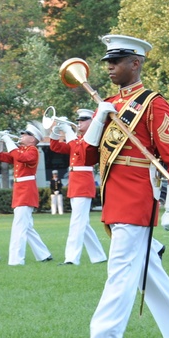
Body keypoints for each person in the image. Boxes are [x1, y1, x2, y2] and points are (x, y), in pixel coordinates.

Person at [70, 35, 169, 338]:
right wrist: (99, 118)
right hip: (114, 197)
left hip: (136, 198)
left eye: (117, 61)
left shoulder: (153, 103)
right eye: (108, 62)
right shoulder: (112, 105)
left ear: (136, 63)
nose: (110, 67)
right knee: (145, 269)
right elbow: (85, 157)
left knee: (120, 272)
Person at [49, 109, 108, 265]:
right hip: (76, 183)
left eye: (83, 120)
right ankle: (99, 256)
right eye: (78, 120)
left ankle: (71, 258)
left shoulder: (92, 138)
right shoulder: (78, 139)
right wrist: (56, 130)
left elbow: (79, 149)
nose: (79, 123)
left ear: (92, 122)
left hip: (83, 183)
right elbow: (56, 147)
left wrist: (68, 130)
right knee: (83, 223)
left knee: (77, 222)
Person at [0, 122, 53, 265]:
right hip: (20, 190)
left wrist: (8, 140)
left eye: (25, 134)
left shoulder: (32, 151)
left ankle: (16, 260)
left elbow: (19, 157)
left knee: (19, 226)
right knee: (26, 226)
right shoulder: (21, 150)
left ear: (32, 139)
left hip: (26, 191)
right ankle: (44, 254)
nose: (21, 136)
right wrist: (0, 141)